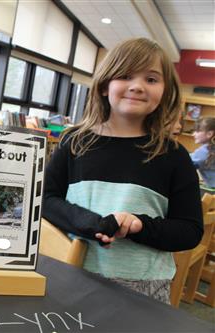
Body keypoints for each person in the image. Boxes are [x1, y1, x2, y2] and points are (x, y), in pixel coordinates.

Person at [42, 38, 203, 303]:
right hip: (69, 270)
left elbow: (190, 230)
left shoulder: (174, 155)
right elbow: (46, 200)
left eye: (151, 79)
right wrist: (93, 223)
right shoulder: (75, 142)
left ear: (165, 91)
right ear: (106, 85)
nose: (138, 86)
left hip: (143, 286)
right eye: (126, 76)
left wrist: (139, 225)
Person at [190, 117, 215, 190]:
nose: (193, 134)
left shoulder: (204, 151)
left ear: (209, 134)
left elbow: (185, 164)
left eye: (197, 131)